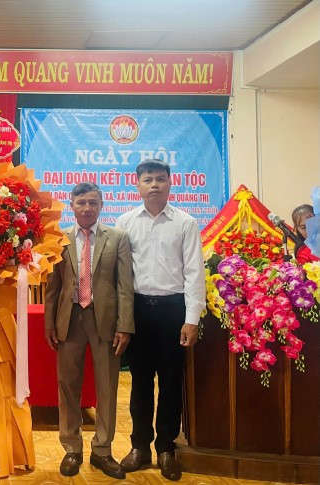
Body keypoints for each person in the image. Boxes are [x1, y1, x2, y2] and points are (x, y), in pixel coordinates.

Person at [116, 159, 206, 481]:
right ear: (137, 185)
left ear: (170, 182)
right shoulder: (125, 222)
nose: (154, 184)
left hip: (173, 311)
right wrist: (121, 319)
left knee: (170, 382)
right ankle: (139, 447)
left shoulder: (186, 223)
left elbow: (194, 272)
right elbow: (120, 275)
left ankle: (166, 448)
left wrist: (191, 319)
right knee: (140, 383)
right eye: (148, 179)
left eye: (160, 179)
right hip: (138, 311)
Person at [44, 182, 134, 479]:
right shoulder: (60, 238)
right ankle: (72, 448)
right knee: (68, 386)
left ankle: (102, 450)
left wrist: (125, 326)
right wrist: (49, 323)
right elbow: (53, 287)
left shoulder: (118, 238)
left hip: (104, 321)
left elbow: (125, 286)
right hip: (69, 320)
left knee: (107, 387)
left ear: (101, 205)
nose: (87, 208)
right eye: (81, 202)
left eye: (93, 202)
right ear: (71, 205)